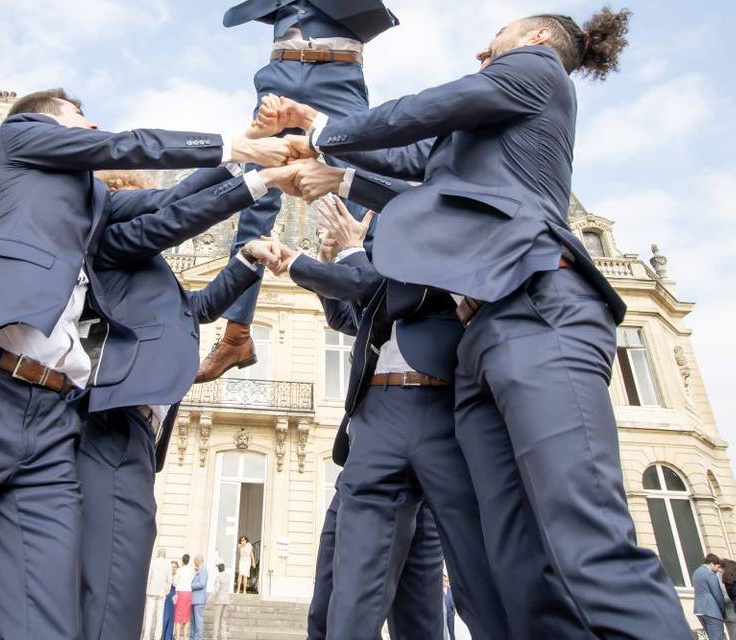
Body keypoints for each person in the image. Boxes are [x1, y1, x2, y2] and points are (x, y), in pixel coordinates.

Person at [274, 7, 696, 638]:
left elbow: (426, 109)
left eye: (493, 39)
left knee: (585, 547)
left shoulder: (538, 68)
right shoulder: (483, 143)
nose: (481, 51)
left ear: (536, 38)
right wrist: (336, 170)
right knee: (513, 565)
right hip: (482, 340)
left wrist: (326, 127)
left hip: (541, 307)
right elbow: (423, 171)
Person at [0, 87, 291, 640]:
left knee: (50, 623)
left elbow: (170, 203)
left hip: (48, 418)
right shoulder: (18, 141)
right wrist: (230, 143)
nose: (94, 127)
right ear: (47, 125)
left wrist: (255, 172)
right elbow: (128, 148)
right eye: (82, 118)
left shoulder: (94, 206)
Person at [271, 194, 579, 637]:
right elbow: (354, 314)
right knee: (350, 585)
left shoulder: (445, 249)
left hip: (445, 416)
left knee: (470, 573)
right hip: (378, 417)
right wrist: (333, 268)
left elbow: (374, 285)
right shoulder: (385, 275)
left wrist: (323, 260)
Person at [77, 166, 291, 640]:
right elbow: (169, 216)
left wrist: (247, 258)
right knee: (114, 568)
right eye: (141, 194)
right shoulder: (112, 243)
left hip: (136, 427)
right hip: (112, 418)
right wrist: (244, 173)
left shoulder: (148, 270)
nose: (153, 199)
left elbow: (195, 310)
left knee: (119, 563)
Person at [196, 0, 399, 382]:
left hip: (338, 73)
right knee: (254, 195)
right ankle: (237, 334)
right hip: (280, 73)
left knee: (359, 190)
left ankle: (382, 308)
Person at [694, 554, 727, 640]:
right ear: (712, 564)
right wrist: (723, 612)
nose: (718, 569)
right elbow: (718, 595)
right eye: (718, 566)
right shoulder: (710, 574)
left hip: (699, 609)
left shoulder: (696, 572)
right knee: (717, 637)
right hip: (712, 611)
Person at [145, 549, 175, 640]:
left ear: (158, 554)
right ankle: (157, 637)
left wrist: (147, 590)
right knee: (160, 616)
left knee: (149, 615)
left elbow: (149, 576)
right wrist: (166, 591)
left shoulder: (153, 563)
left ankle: (146, 636)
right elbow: (169, 580)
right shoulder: (168, 564)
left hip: (151, 591)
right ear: (165, 555)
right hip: (162, 593)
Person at [174, 555, 194, 640]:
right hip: (188, 593)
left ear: (182, 561)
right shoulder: (191, 570)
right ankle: (185, 637)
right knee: (187, 616)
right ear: (189, 561)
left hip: (180, 593)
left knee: (178, 617)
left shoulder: (179, 570)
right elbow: (192, 581)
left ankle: (178, 637)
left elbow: (174, 582)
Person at [211, 563, 232, 640]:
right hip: (226, 599)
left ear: (218, 569)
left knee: (216, 620)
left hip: (219, 599)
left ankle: (215, 638)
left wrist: (209, 598)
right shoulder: (228, 576)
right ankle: (224, 637)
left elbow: (216, 589)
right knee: (223, 620)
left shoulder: (219, 577)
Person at [191, 554, 210, 640]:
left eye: (195, 561)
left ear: (198, 560)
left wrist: (191, 585)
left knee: (198, 622)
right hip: (194, 600)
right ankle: (193, 638)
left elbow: (202, 584)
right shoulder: (198, 570)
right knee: (193, 622)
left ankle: (199, 638)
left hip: (199, 600)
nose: (194, 563)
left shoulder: (203, 570)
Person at [163, 561, 179, 640]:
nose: (173, 568)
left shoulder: (177, 576)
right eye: (172, 566)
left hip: (173, 598)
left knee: (171, 618)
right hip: (166, 597)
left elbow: (177, 586)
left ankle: (168, 637)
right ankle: (163, 635)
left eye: (175, 567)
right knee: (165, 617)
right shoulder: (166, 575)